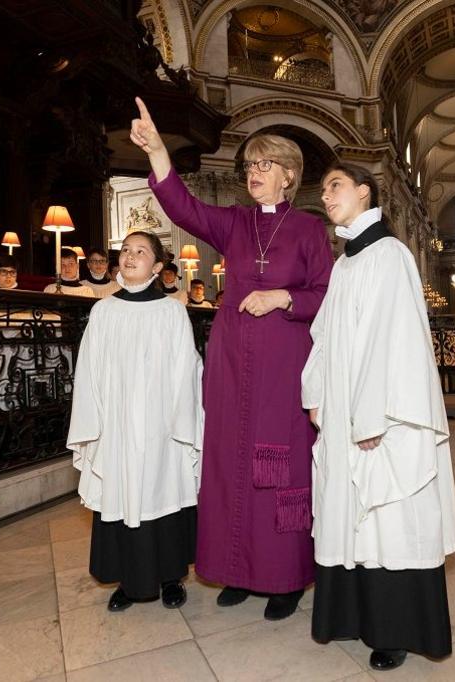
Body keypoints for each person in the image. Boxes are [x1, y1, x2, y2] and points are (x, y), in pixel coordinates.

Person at [132, 97, 332, 619]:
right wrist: (157, 153)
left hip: (285, 365)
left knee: (278, 464)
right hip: (230, 362)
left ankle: (285, 577)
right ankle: (237, 569)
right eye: (249, 166)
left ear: (289, 174)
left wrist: (283, 298)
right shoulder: (235, 223)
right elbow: (182, 207)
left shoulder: (310, 229)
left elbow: (326, 295)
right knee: (229, 461)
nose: (253, 173)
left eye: (264, 165)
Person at [303, 163, 455, 671]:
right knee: (350, 515)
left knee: (389, 517)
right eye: (324, 188)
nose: (325, 195)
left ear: (364, 192)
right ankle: (355, 616)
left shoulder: (390, 255)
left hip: (380, 419)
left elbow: (392, 340)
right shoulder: (346, 264)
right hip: (344, 412)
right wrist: (315, 390)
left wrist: (370, 419)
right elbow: (324, 335)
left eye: (335, 186)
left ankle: (394, 629)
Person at [67, 230, 203, 613]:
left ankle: (171, 576)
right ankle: (129, 581)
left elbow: (186, 367)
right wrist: (95, 423)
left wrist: (180, 421)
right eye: (125, 250)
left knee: (164, 494)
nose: (130, 256)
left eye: (141, 251)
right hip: (118, 425)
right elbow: (89, 369)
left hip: (162, 426)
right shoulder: (104, 310)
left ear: (157, 267)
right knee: (122, 496)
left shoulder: (172, 310)